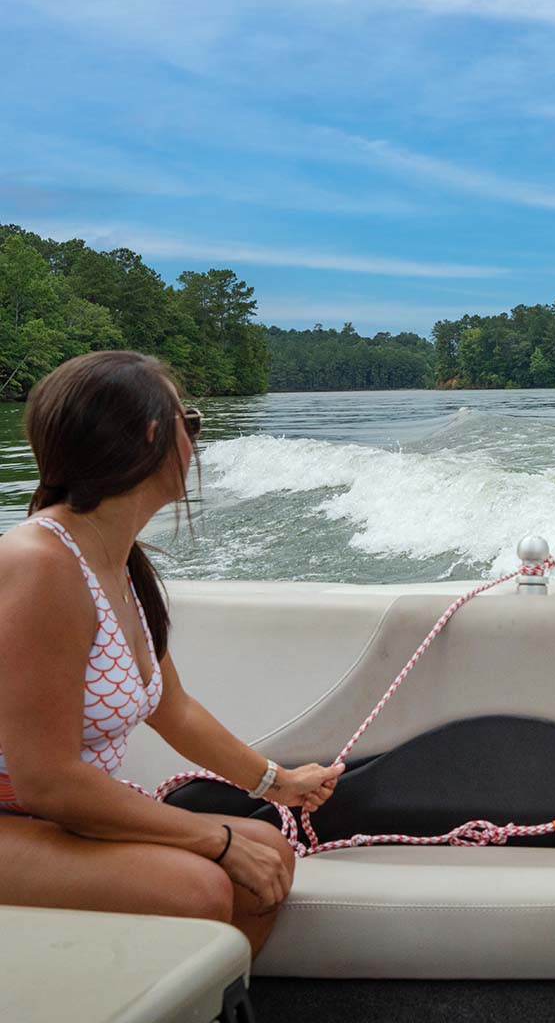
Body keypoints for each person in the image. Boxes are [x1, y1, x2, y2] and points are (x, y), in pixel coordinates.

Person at [0, 352, 344, 956]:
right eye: (193, 423)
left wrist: (278, 785)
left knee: (270, 856)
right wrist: (213, 839)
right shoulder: (40, 566)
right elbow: (47, 781)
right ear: (157, 437)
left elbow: (172, 708)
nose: (196, 441)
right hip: (23, 815)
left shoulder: (117, 560)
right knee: (200, 888)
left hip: (54, 817)